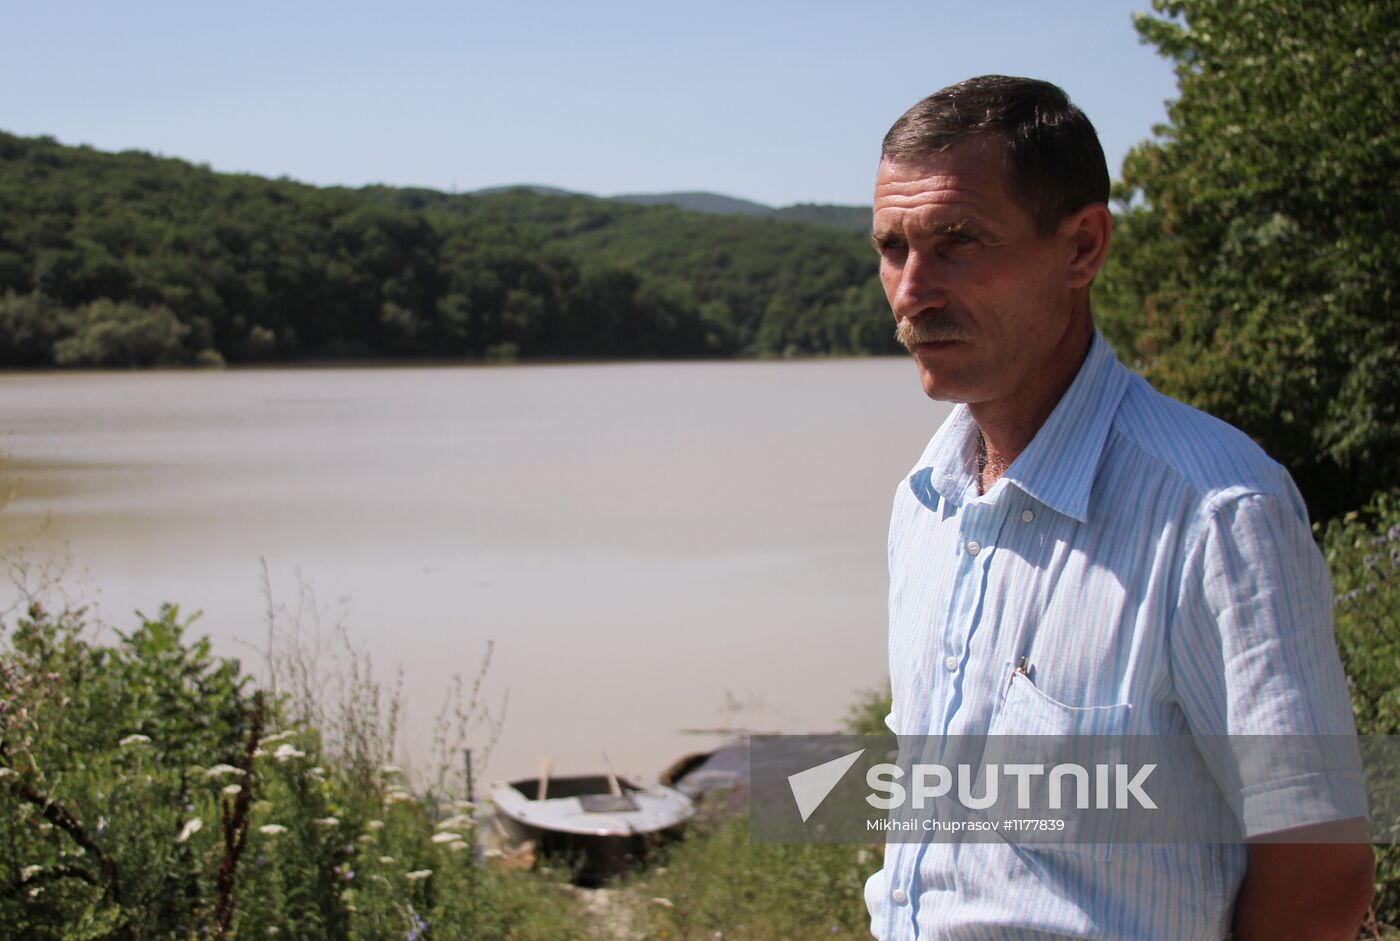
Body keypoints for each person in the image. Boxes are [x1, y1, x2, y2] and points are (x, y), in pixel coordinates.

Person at [864, 75, 1374, 941]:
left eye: (957, 242)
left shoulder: (1216, 514)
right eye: (892, 247)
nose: (913, 290)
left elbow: (1320, 867)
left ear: (1083, 247)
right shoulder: (928, 497)